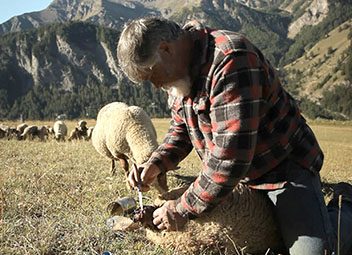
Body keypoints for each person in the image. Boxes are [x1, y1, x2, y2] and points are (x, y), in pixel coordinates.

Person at [117, 17, 352, 254]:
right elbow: (181, 129)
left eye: (151, 74)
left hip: (282, 170)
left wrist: (181, 209)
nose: (156, 85)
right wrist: (156, 164)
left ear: (165, 48)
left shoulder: (231, 60)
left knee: (314, 252)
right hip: (237, 179)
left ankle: (346, 206)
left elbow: (230, 159)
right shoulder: (180, 78)